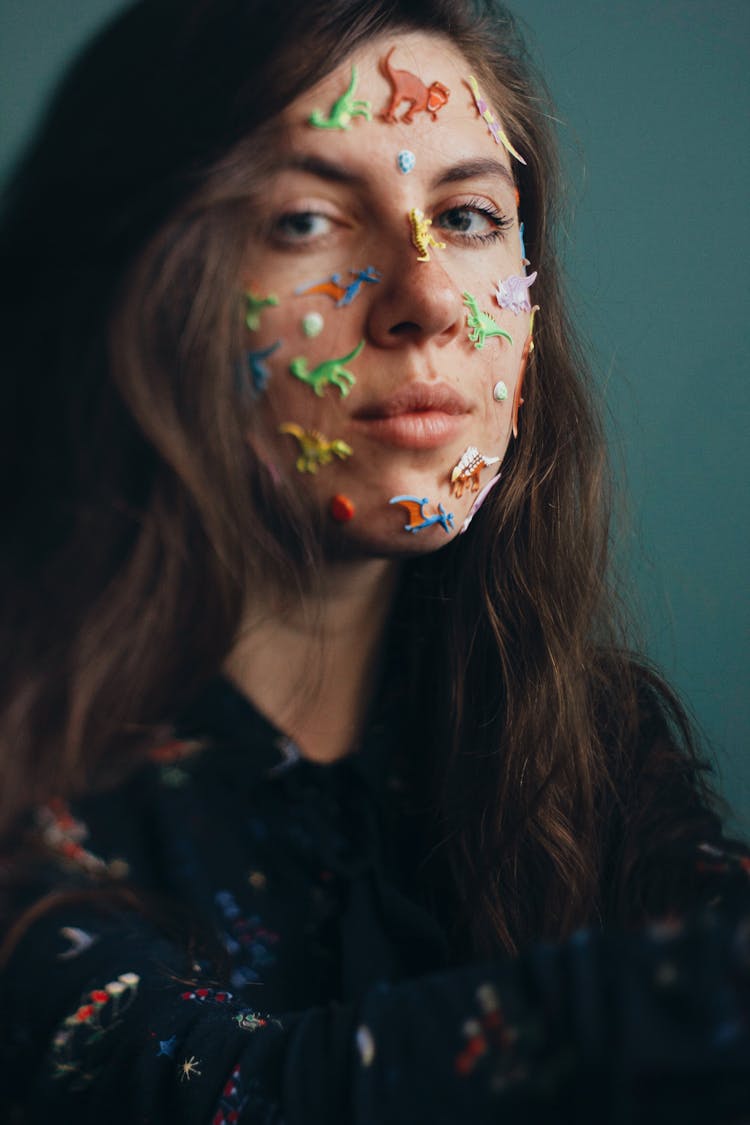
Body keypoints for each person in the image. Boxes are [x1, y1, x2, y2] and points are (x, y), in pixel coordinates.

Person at [0, 0, 748, 1121]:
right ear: (143, 292)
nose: (429, 298)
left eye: (469, 216)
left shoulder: (583, 752)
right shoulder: (30, 797)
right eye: (306, 221)